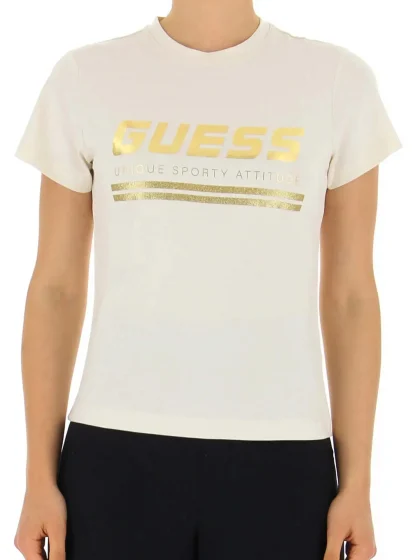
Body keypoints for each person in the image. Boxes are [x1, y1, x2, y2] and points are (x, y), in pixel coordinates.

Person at [13, 0, 401, 559]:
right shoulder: (85, 77)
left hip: (284, 456)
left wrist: (358, 482)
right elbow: (55, 288)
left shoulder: (338, 82)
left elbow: (352, 297)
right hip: (115, 454)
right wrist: (38, 477)